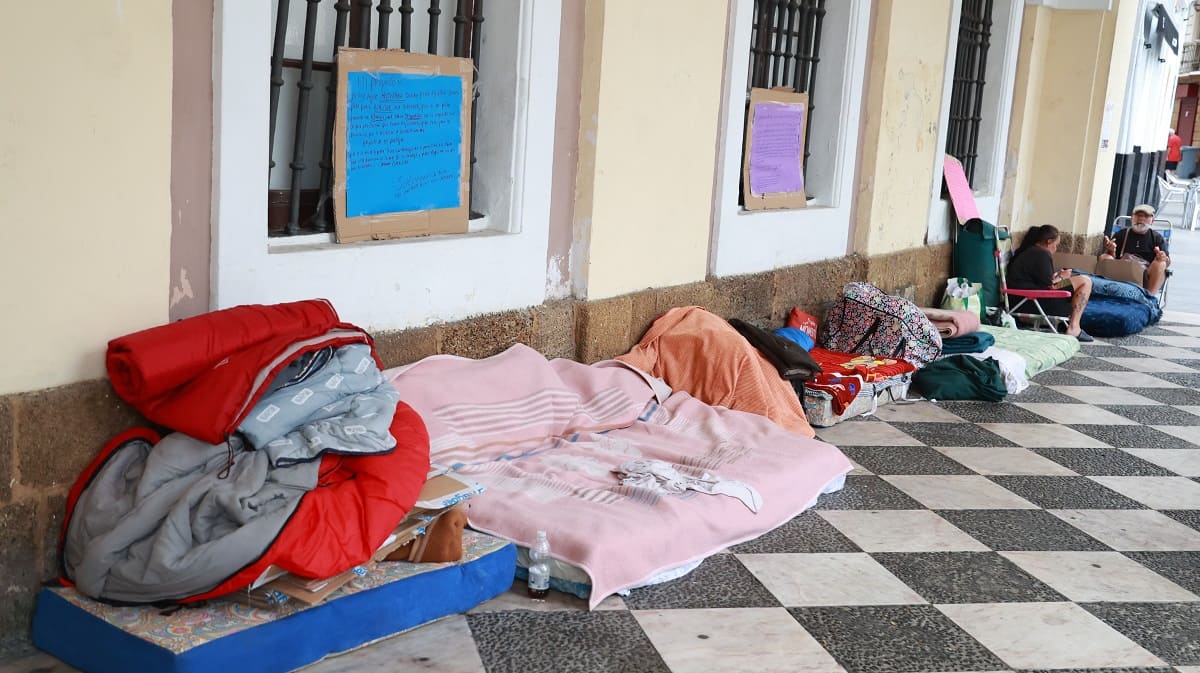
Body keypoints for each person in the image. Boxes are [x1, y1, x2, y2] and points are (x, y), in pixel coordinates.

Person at [1007, 224, 1094, 342]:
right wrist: (1062, 277)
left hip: (1023, 300)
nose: (1056, 249)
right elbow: (1050, 286)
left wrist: (1058, 277)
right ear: (1049, 242)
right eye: (1056, 245)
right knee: (1085, 281)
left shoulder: (1029, 251)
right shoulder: (1041, 253)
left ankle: (1073, 326)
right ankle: (1074, 327)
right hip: (1031, 302)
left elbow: (1044, 281)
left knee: (1082, 280)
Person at [1101, 203, 1170, 294]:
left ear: (1152, 220)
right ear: (1131, 218)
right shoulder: (1122, 234)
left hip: (1145, 275)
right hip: (1123, 270)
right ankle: (1104, 292)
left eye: (1145, 216)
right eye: (1138, 215)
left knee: (1161, 264)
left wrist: (1163, 257)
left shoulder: (1157, 238)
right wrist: (1111, 251)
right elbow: (1111, 257)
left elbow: (1167, 262)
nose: (1141, 219)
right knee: (1105, 257)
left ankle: (1148, 298)